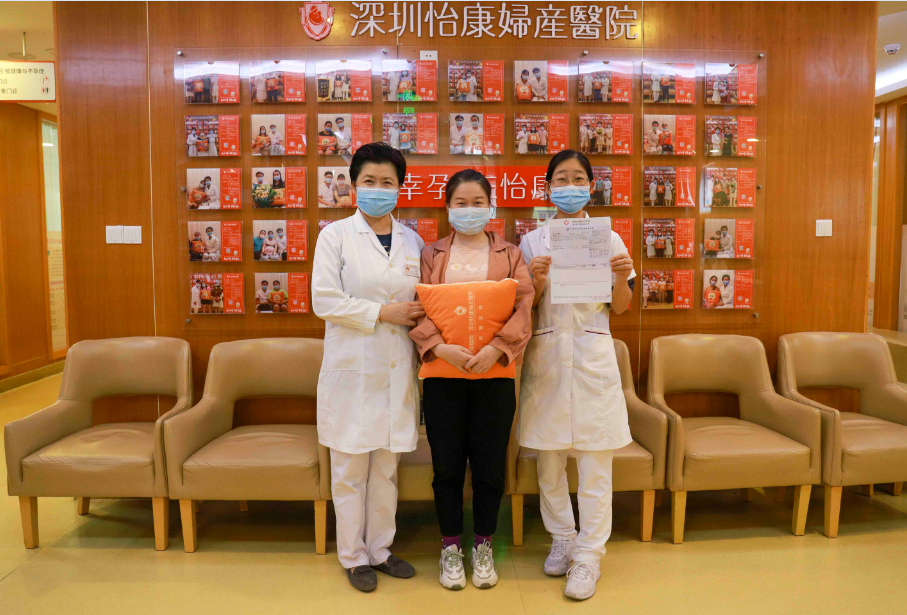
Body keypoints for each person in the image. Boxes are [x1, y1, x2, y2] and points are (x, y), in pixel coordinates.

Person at [518, 149, 635, 601]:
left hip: (592, 354)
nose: (570, 186)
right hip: (548, 355)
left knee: (594, 466)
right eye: (561, 179)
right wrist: (537, 282)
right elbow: (525, 307)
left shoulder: (610, 239)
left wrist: (621, 277)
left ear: (591, 186)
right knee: (549, 462)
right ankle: (563, 538)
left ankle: (589, 555)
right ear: (548, 187)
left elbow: (620, 308)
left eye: (579, 178)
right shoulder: (532, 242)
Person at [410, 169, 533, 591]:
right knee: (446, 467)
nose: (469, 210)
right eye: (460, 203)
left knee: (489, 468)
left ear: (491, 206)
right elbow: (418, 305)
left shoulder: (510, 254)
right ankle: (449, 547)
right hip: (443, 376)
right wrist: (439, 347)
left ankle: (483, 545)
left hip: (494, 374)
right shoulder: (432, 254)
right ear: (447, 207)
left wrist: (497, 348)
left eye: (477, 202)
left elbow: (525, 303)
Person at [312, 142, 425, 593]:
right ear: (354, 186)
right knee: (350, 470)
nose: (379, 189)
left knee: (386, 470)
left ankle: (381, 549)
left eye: (387, 182)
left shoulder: (413, 241)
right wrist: (382, 312)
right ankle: (354, 556)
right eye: (369, 181)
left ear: (400, 188)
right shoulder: (334, 236)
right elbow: (325, 300)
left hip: (397, 370)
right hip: (353, 371)